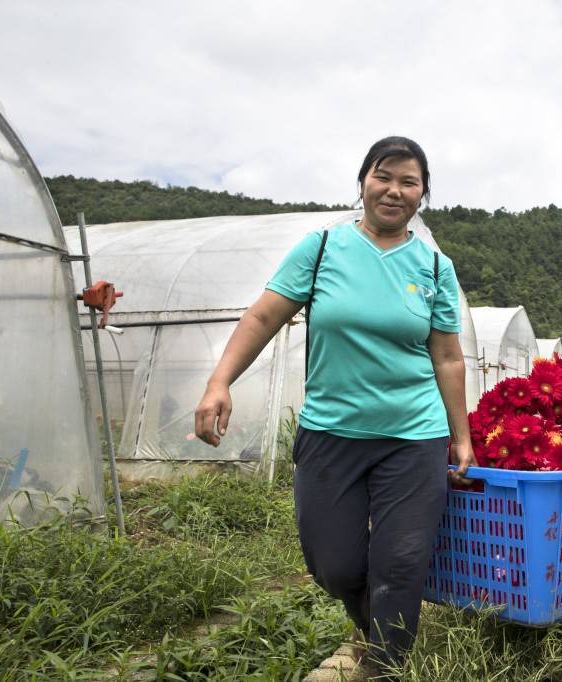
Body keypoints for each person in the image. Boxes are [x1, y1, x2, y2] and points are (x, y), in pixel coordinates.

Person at [194, 136, 474, 677]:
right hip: (331, 432)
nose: (394, 190)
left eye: (409, 181)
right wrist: (219, 382)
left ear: (422, 194)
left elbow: (447, 357)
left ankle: (385, 664)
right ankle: (369, 627)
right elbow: (262, 318)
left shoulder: (436, 267)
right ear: (364, 181)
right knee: (335, 564)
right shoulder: (321, 248)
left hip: (413, 435)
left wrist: (459, 435)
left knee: (401, 562)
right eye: (383, 176)